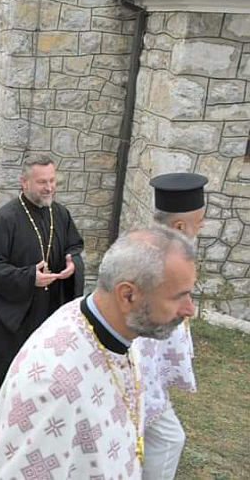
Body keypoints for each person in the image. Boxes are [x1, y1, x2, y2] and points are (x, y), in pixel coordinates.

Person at [0, 227, 196, 479]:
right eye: (178, 297)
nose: (189, 309)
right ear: (127, 295)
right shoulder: (55, 386)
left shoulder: (120, 331)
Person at [0, 154, 85, 437]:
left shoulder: (60, 214)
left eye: (52, 181)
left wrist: (72, 260)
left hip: (47, 307)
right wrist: (28, 277)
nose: (49, 187)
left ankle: (27, 419)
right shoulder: (5, 219)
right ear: (24, 183)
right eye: (42, 182)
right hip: (11, 312)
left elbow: (74, 243)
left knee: (40, 367)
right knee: (0, 368)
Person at [135, 173, 207, 480]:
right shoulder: (161, 260)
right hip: (139, 372)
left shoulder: (147, 245)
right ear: (179, 226)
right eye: (198, 221)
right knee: (168, 439)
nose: (202, 226)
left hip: (146, 373)